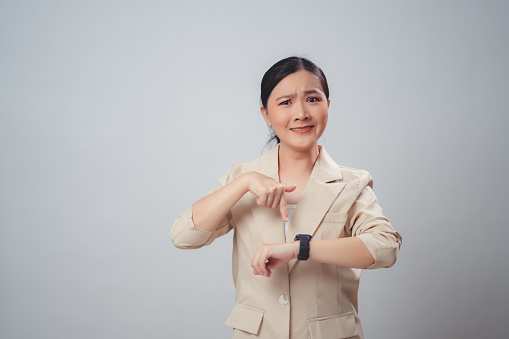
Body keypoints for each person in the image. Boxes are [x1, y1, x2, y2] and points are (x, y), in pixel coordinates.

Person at [171, 56, 402, 339]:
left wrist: (299, 249)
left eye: (313, 99)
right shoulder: (241, 179)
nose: (301, 113)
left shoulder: (352, 184)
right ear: (265, 114)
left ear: (328, 105)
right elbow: (183, 236)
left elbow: (385, 247)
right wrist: (244, 183)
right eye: (285, 102)